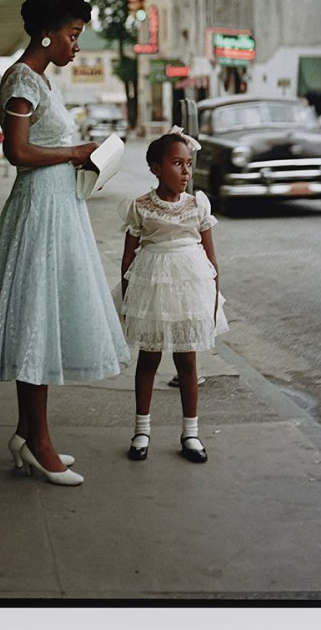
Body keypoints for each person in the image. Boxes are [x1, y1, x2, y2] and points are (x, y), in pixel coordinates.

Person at [0, 0, 129, 486]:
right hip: (39, 209)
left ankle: (26, 432)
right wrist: (76, 150)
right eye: (73, 35)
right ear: (46, 35)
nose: (77, 45)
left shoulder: (39, 81)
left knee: (46, 318)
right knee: (36, 319)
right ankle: (38, 442)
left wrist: (83, 157)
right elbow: (16, 152)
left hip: (59, 207)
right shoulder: (21, 79)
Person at [118, 128, 228, 464]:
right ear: (155, 168)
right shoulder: (141, 207)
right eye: (177, 163)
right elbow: (128, 258)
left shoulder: (197, 206)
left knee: (187, 361)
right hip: (152, 288)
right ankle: (141, 429)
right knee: (148, 359)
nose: (185, 172)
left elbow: (210, 261)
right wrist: (128, 303)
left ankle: (191, 432)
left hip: (189, 289)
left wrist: (212, 300)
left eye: (189, 164)